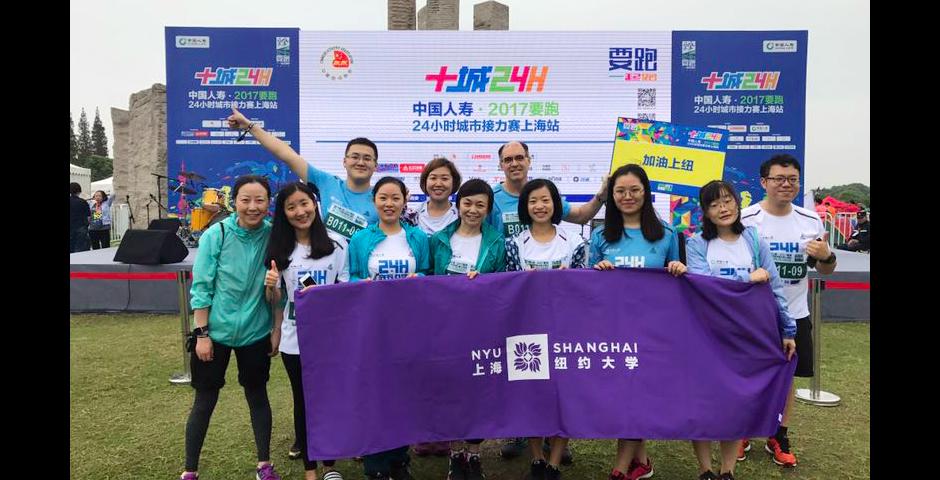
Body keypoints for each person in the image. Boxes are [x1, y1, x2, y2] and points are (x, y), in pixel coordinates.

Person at [685, 180, 797, 480]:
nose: (723, 208)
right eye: (714, 204)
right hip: (708, 337)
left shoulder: (753, 239)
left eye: (727, 201)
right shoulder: (697, 244)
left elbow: (775, 286)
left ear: (737, 202)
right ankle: (705, 470)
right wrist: (748, 281)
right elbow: (705, 287)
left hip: (746, 336)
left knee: (735, 403)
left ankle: (727, 471)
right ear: (705, 212)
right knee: (703, 404)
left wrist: (787, 330)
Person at [180, 175, 282, 480]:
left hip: (255, 332)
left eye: (260, 200)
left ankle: (264, 465)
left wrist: (275, 326)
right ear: (234, 201)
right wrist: (202, 334)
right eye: (245, 200)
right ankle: (190, 470)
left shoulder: (273, 236)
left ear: (268, 202)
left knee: (257, 395)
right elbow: (202, 287)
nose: (253, 207)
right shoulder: (217, 234)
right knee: (205, 400)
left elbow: (277, 294)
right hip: (215, 332)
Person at [740, 154, 837, 468]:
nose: (786, 184)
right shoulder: (746, 218)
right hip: (753, 314)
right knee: (747, 374)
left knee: (787, 377)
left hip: (794, 314)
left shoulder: (810, 220)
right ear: (764, 182)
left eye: (792, 179)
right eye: (779, 179)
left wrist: (826, 255)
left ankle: (778, 434)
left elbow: (825, 269)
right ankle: (742, 431)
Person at [589, 164, 686, 480]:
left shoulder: (667, 234)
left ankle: (620, 469)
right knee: (622, 397)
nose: (627, 196)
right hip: (613, 329)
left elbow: (680, 283)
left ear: (646, 192)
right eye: (620, 191)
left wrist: (677, 267)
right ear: (612, 195)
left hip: (653, 331)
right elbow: (587, 286)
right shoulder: (600, 236)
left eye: (634, 190)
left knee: (637, 396)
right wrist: (598, 271)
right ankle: (641, 461)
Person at [347, 177, 431, 480]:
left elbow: (428, 273)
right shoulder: (360, 239)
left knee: (403, 394)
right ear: (374, 201)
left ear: (404, 201)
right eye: (383, 197)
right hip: (372, 329)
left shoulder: (417, 237)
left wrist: (419, 279)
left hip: (408, 328)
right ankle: (375, 463)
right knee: (374, 394)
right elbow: (351, 277)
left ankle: (399, 459)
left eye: (395, 198)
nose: (389, 203)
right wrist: (362, 284)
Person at [263, 182, 348, 480]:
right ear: (283, 213)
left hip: (331, 341)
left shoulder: (338, 245)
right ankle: (310, 470)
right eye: (291, 207)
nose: (300, 212)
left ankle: (330, 466)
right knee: (303, 402)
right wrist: (270, 286)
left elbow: (345, 291)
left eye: (304, 204)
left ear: (314, 204)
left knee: (329, 400)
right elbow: (276, 300)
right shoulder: (279, 248)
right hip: (294, 340)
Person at [503, 178, 586, 480]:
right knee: (530, 393)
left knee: (563, 394)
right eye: (533, 201)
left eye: (546, 200)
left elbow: (584, 287)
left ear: (556, 204)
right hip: (526, 331)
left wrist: (569, 279)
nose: (540, 206)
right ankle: (537, 458)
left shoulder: (574, 242)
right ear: (525, 207)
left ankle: (554, 461)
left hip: (564, 329)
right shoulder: (514, 244)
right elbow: (509, 287)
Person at [428, 178, 506, 480]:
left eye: (480, 205)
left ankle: (473, 454)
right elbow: (429, 282)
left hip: (482, 328)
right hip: (445, 329)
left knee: (479, 392)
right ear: (458, 205)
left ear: (488, 209)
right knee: (451, 390)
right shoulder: (439, 240)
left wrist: (483, 284)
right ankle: (455, 453)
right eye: (468, 203)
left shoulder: (497, 242)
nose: (473, 210)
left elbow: (503, 285)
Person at [227, 107, 379, 240]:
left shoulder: (382, 198)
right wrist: (250, 126)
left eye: (367, 158)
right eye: (355, 157)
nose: (360, 162)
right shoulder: (327, 183)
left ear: (375, 166)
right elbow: (287, 154)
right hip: (330, 261)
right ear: (344, 161)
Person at [70, 182, 91, 253]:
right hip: (81, 227)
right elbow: (88, 217)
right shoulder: (83, 202)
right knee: (81, 251)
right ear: (79, 191)